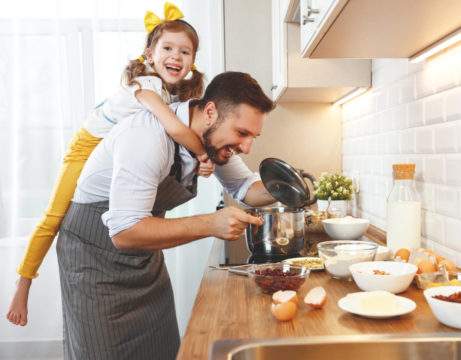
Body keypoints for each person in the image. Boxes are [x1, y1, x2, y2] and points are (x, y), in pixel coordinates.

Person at [7, 2, 215, 327]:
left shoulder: (171, 95)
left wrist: (195, 163)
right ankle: (22, 285)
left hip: (109, 151)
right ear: (149, 53)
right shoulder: (147, 86)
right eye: (168, 48)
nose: (176, 56)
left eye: (185, 52)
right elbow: (175, 130)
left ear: (192, 62)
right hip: (87, 146)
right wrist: (204, 153)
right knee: (54, 216)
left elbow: (172, 142)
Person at [56, 71, 275, 359]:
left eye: (253, 137)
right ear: (211, 111)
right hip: (94, 261)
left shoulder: (209, 139)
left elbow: (246, 188)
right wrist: (210, 223)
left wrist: (290, 186)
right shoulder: (147, 137)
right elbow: (124, 233)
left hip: (143, 260)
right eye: (242, 133)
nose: (246, 147)